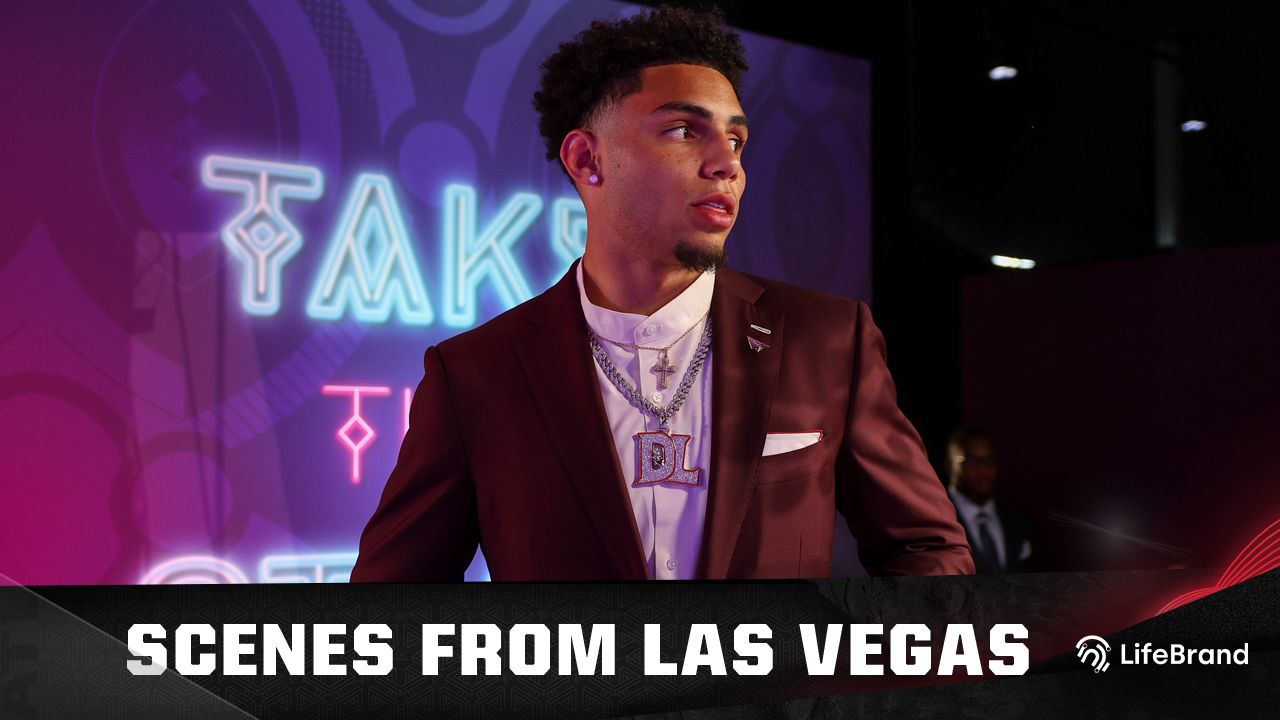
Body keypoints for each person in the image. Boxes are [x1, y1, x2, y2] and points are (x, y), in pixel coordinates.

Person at [350, 6, 973, 581]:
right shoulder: (475, 374)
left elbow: (927, 551)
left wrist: (842, 694)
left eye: (736, 140)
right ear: (586, 158)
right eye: (683, 130)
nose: (726, 163)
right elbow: (391, 606)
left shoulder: (829, 339)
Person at [945, 426, 1033, 573]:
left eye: (990, 459)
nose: (984, 468)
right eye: (972, 460)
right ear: (949, 465)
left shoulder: (1015, 520)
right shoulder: (935, 519)